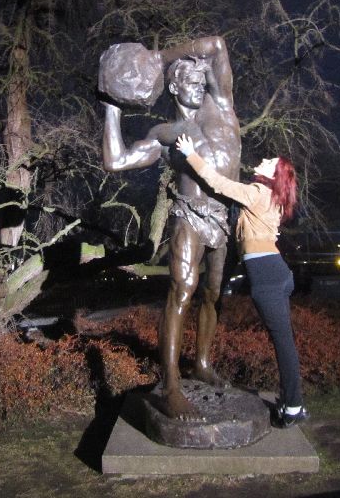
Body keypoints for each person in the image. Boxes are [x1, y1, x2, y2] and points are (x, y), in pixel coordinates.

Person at [102, 36, 240, 421]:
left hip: (223, 218)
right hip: (188, 215)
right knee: (182, 291)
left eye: (203, 80)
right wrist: (111, 107)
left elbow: (216, 45)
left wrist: (158, 57)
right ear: (175, 87)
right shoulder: (165, 133)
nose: (201, 86)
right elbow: (116, 161)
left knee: (213, 294)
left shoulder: (223, 106)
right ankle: (171, 387)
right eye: (192, 82)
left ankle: (203, 364)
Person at [175, 133, 309, 428]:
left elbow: (218, 184)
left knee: (283, 344)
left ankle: (294, 406)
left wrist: (190, 153)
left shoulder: (258, 192)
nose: (263, 159)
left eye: (270, 161)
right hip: (274, 273)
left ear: (274, 175)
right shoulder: (272, 199)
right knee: (284, 342)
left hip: (268, 278)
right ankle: (293, 401)